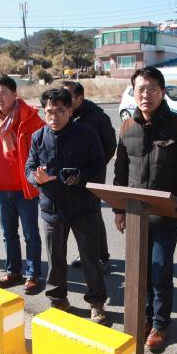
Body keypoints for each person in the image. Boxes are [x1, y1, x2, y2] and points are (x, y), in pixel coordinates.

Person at [113, 66, 177, 351]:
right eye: (141, 89)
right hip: (135, 213)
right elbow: (120, 171)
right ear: (134, 92)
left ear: (162, 92)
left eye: (153, 88)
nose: (146, 94)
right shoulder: (128, 126)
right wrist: (119, 210)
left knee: (160, 269)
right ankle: (143, 316)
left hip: (167, 214)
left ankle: (160, 323)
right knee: (138, 270)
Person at [25, 88, 108, 324]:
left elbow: (99, 166)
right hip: (52, 208)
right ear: (43, 111)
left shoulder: (87, 134)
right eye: (49, 111)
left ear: (70, 110)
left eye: (60, 111)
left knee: (90, 259)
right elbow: (29, 167)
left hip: (84, 208)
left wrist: (79, 177)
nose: (54, 117)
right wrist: (35, 178)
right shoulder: (38, 137)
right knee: (55, 260)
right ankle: (58, 300)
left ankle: (96, 303)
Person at [0, 75, 45, 294]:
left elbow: (43, 149)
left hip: (25, 187)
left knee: (30, 233)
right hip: (2, 187)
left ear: (15, 95)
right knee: (8, 232)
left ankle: (32, 274)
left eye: (4, 93)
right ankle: (13, 270)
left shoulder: (30, 119)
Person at [60, 81, 117, 270]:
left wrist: (95, 168)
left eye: (68, 97)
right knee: (75, 217)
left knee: (92, 216)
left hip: (92, 176)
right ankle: (86, 253)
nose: (64, 100)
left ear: (79, 98)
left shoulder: (97, 118)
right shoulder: (65, 114)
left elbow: (110, 146)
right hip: (69, 178)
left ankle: (100, 256)